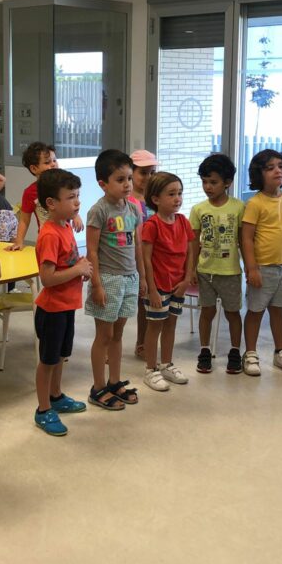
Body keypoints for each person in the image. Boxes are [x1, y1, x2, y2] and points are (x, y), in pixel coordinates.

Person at [32, 169, 92, 435]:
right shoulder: (50, 235)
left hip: (67, 306)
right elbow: (47, 278)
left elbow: (68, 264)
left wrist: (80, 269)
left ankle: (56, 396)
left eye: (78, 196)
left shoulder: (65, 226)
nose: (77, 202)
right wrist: (77, 270)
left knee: (60, 357)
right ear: (51, 204)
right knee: (48, 360)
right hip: (51, 309)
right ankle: (43, 409)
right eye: (71, 198)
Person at [85, 149, 144, 410]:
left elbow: (138, 246)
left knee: (118, 334)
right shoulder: (98, 211)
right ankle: (98, 387)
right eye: (120, 179)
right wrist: (96, 284)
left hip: (129, 278)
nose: (127, 184)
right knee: (104, 336)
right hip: (107, 279)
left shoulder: (133, 208)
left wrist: (141, 277)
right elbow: (92, 251)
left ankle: (115, 381)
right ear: (103, 183)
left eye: (129, 178)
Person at [239, 150, 282, 377]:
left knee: (279, 311)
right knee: (256, 311)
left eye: (281, 166)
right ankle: (250, 353)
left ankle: (280, 352)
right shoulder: (255, 203)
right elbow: (246, 238)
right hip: (263, 269)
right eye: (270, 167)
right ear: (259, 174)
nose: (278, 170)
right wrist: (252, 268)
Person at [139, 172, 195, 392]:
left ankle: (166, 364)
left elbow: (191, 251)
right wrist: (151, 289)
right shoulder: (152, 225)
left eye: (179, 193)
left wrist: (187, 279)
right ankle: (150, 369)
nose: (177, 198)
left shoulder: (183, 221)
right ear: (156, 199)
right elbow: (146, 259)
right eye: (171, 194)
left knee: (171, 324)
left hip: (178, 285)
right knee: (155, 326)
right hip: (158, 286)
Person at [190, 154, 245, 374]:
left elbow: (244, 240)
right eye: (204, 181)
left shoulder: (239, 208)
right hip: (205, 271)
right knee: (207, 312)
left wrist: (251, 267)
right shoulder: (198, 209)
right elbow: (193, 243)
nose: (208, 187)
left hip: (230, 271)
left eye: (213, 182)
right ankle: (204, 350)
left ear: (227, 183)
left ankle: (234, 351)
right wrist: (192, 269)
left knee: (233, 313)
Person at [8, 143, 82, 250]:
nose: (53, 164)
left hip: (66, 234)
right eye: (47, 162)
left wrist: (75, 216)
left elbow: (69, 204)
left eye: (54, 160)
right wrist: (19, 242)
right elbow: (24, 219)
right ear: (34, 168)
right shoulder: (30, 192)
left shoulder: (63, 187)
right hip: (48, 238)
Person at [129, 149, 157, 360]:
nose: (148, 177)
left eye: (152, 172)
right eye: (143, 172)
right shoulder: (126, 200)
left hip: (152, 258)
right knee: (121, 303)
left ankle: (143, 342)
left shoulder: (155, 200)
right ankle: (110, 345)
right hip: (128, 258)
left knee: (145, 303)